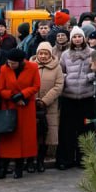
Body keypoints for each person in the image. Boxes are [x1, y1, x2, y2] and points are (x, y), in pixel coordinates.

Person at [0, 48, 40, 179]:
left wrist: (23, 95)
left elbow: (36, 86)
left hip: (26, 107)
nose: (10, 65)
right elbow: (0, 89)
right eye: (9, 62)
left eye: (13, 63)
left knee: (23, 138)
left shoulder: (32, 67)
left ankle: (19, 167)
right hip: (10, 107)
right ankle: (3, 168)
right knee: (8, 138)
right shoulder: (4, 69)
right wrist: (12, 96)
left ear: (20, 62)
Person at [57, 28, 95, 170]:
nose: (77, 39)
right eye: (75, 37)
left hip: (87, 96)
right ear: (71, 39)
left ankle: (84, 159)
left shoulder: (92, 53)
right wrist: (67, 78)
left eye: (80, 36)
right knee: (67, 130)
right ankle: (65, 159)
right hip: (69, 96)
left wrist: (88, 77)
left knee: (86, 128)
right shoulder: (66, 55)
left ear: (84, 38)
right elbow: (60, 71)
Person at [33, 42, 63, 173]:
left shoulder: (57, 67)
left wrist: (44, 101)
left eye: (46, 53)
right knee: (32, 135)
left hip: (48, 107)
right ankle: (30, 161)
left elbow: (58, 86)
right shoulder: (31, 66)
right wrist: (33, 100)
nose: (43, 56)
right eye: (41, 53)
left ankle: (40, 161)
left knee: (45, 135)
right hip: (32, 106)